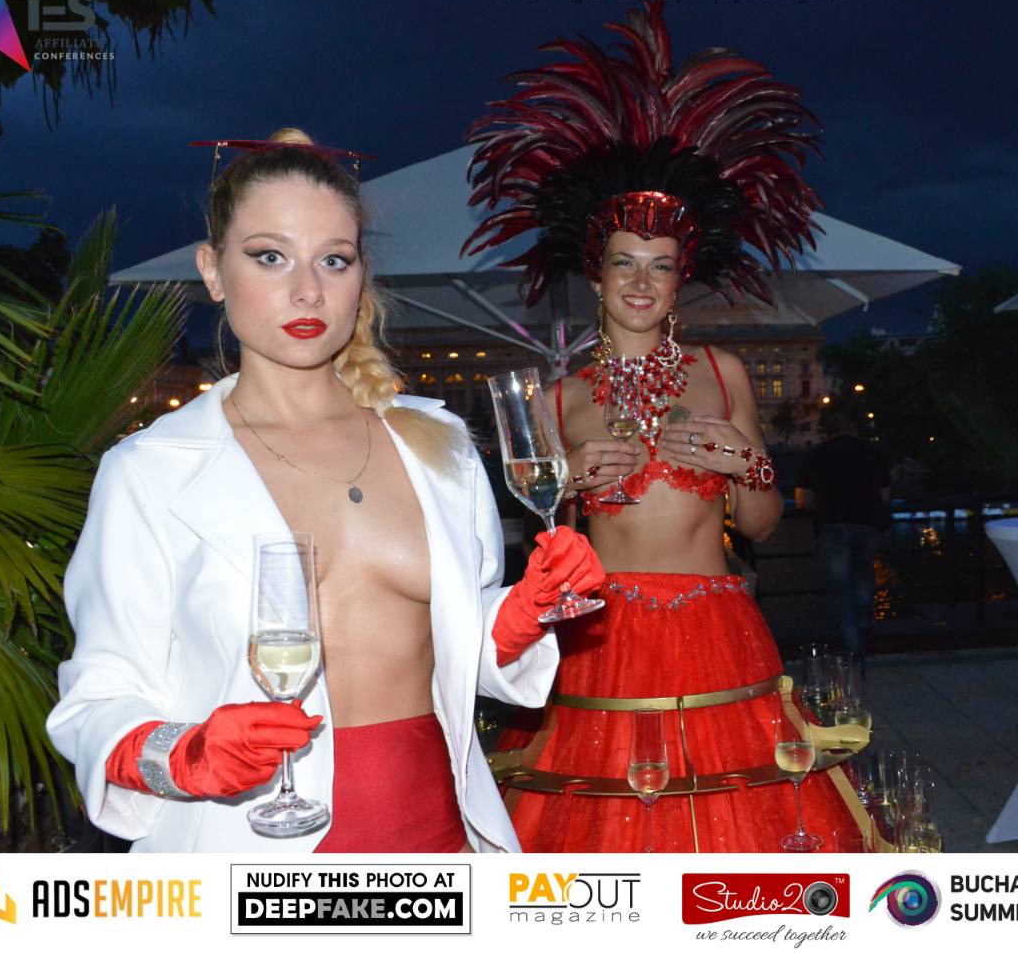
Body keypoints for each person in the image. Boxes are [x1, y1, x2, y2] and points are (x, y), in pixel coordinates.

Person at [46, 130, 603, 852]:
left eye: (333, 260)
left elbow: (462, 651)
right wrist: (183, 754)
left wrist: (521, 616)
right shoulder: (151, 471)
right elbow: (98, 697)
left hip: (439, 838)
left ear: (361, 275)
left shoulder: (438, 446)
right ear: (212, 270)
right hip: (246, 851)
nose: (307, 290)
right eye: (269, 256)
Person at [466, 2, 867, 851]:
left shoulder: (723, 374)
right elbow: (539, 541)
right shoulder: (556, 398)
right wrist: (563, 487)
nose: (642, 283)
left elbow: (761, 523)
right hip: (599, 638)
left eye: (661, 266)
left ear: (682, 280)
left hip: (718, 631)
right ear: (596, 275)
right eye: (625, 264)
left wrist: (748, 462)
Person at [795, 411, 893, 660]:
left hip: (833, 525)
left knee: (840, 588)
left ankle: (853, 648)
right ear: (854, 429)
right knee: (863, 569)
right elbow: (885, 496)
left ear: (827, 432)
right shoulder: (873, 453)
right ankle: (864, 622)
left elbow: (802, 501)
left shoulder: (817, 455)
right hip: (869, 525)